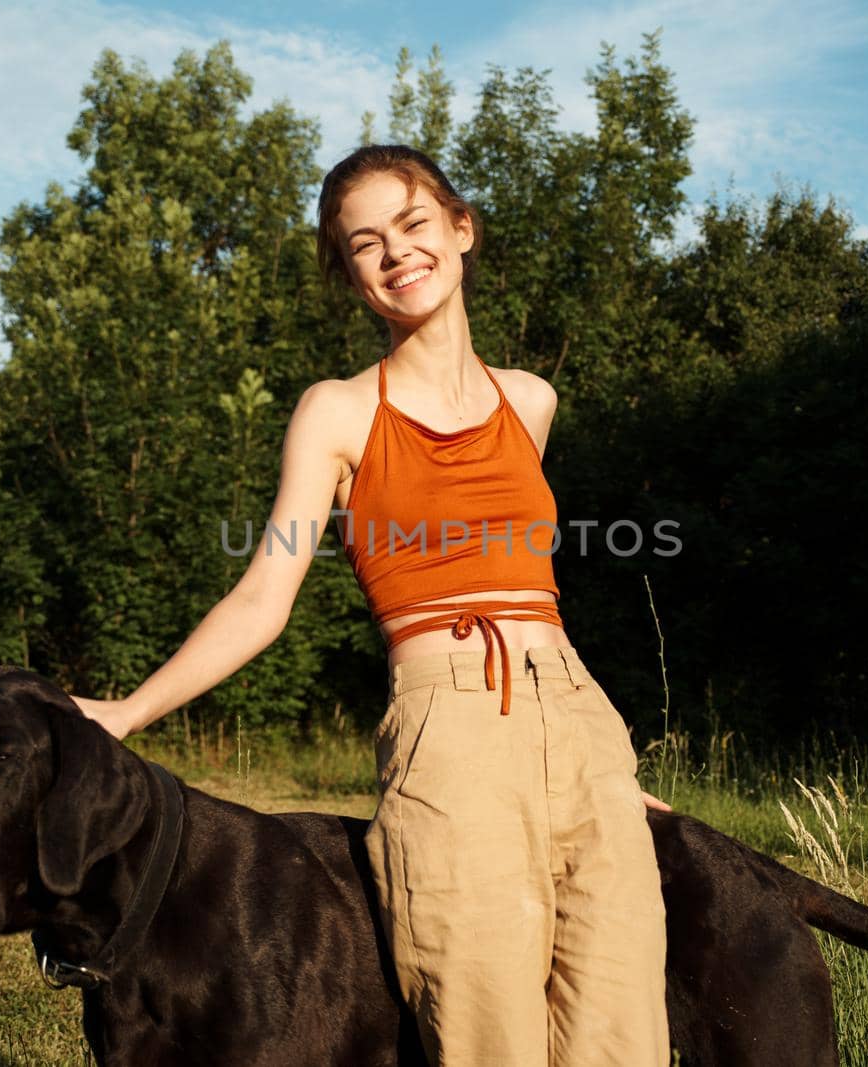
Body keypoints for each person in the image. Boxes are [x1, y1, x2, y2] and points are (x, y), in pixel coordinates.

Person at [72, 144, 671, 1067]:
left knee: (621, 1025)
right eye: (365, 244)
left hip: (580, 722)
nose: (396, 252)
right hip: (450, 732)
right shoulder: (338, 413)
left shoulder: (532, 401)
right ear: (352, 277)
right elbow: (264, 594)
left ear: (461, 229)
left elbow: (528, 590)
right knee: (486, 1028)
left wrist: (594, 762)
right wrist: (127, 710)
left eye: (413, 223)